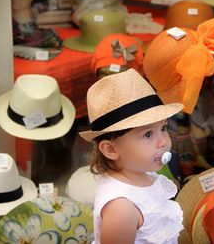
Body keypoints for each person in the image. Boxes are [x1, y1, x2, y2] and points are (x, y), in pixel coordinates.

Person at [79, 69, 184, 244]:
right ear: (111, 149)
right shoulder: (121, 207)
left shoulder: (141, 173)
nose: (163, 142)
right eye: (148, 134)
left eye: (163, 128)